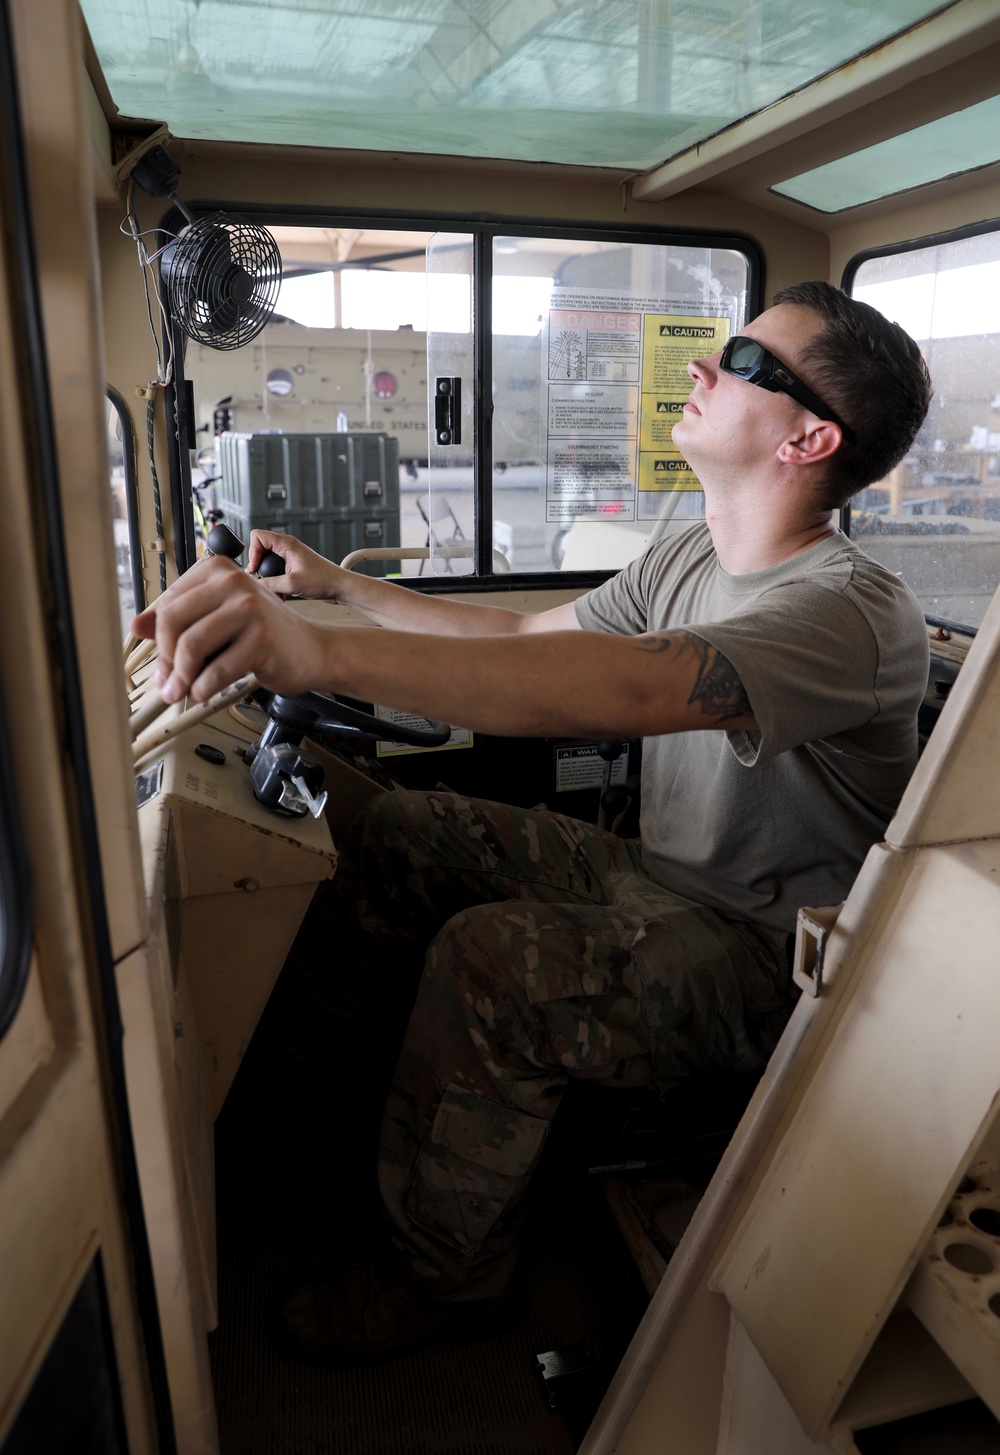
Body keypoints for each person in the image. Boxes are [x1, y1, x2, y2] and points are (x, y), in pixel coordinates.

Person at [133, 280, 933, 1360]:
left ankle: (447, 1282)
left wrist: (313, 653)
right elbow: (525, 642)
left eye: (744, 364)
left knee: (494, 961)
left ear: (809, 437)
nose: (702, 366)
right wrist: (334, 596)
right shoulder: (690, 553)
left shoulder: (848, 608)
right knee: (399, 833)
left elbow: (644, 688)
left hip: (770, 966)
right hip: (660, 882)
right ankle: (313, 1124)